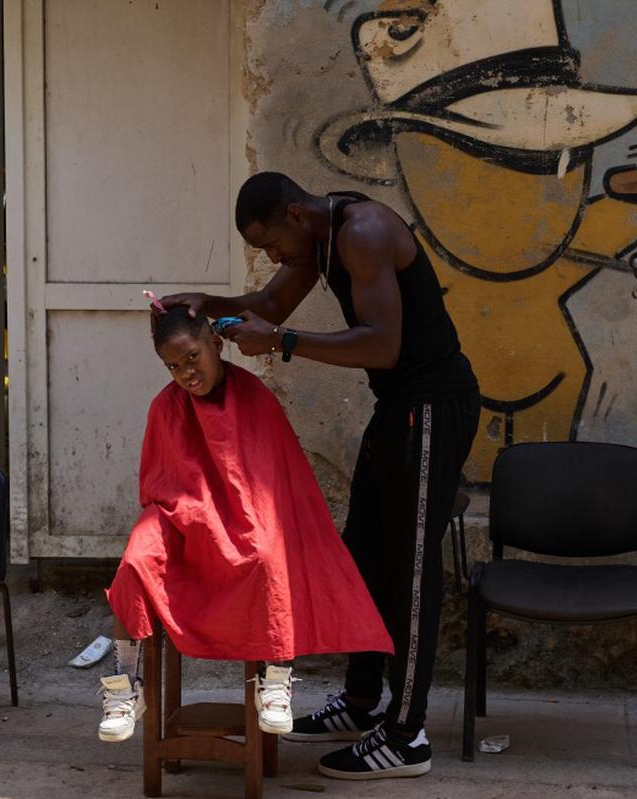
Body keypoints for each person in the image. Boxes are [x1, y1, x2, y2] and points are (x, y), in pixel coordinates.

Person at [161, 172, 480, 780]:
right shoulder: (316, 240)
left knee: (411, 568)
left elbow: (382, 347)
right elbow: (269, 306)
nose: (272, 257)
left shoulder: (363, 232)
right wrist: (207, 304)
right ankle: (360, 702)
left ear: (295, 214)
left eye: (271, 244)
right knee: (362, 552)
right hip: (398, 408)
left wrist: (282, 343)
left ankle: (406, 736)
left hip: (433, 408)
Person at [96, 305, 392, 744]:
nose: (186, 373)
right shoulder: (165, 406)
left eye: (192, 357)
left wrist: (224, 522)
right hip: (182, 516)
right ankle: (125, 686)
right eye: (173, 366)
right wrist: (195, 517)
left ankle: (276, 677)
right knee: (136, 560)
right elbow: (159, 486)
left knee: (269, 555)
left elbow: (270, 485)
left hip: (247, 513)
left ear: (216, 344)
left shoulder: (255, 398)